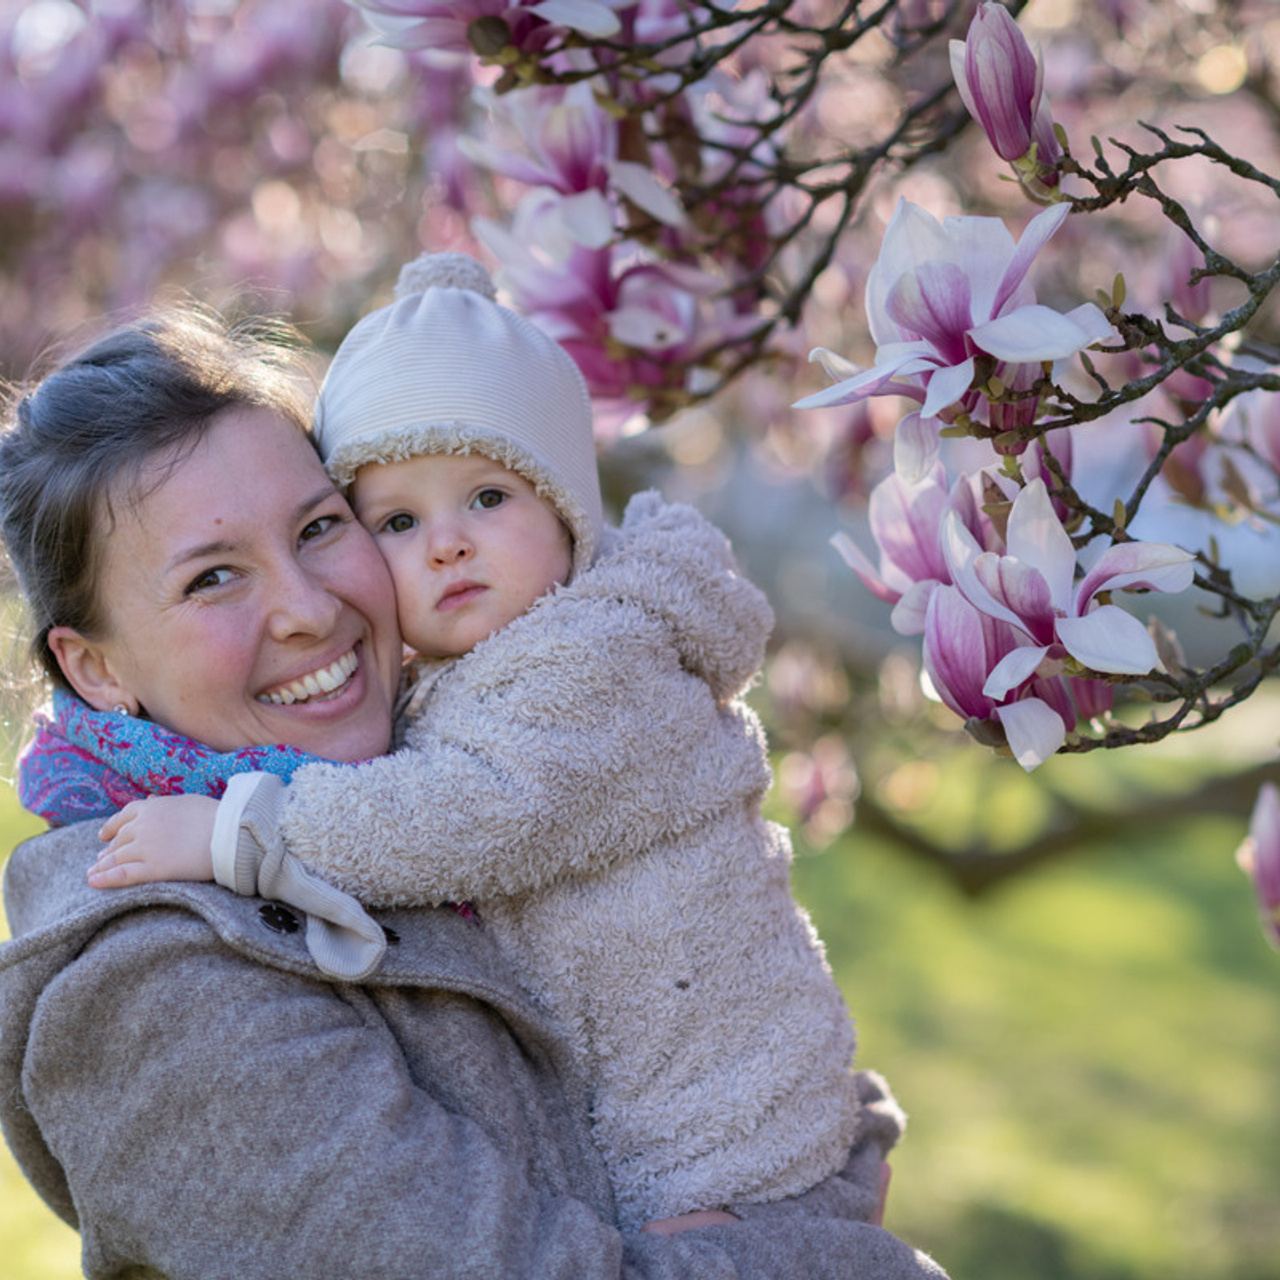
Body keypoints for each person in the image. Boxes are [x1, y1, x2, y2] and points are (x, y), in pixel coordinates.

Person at [0, 299, 949, 1279]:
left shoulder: (464, 759)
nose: (309, 607)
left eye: (322, 525)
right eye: (212, 579)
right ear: (97, 669)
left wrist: (822, 1143)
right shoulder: (161, 996)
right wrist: (847, 1253)